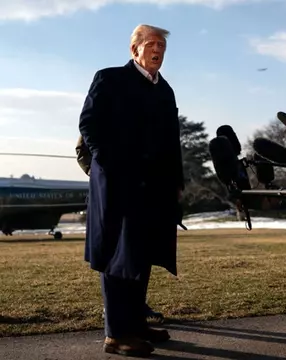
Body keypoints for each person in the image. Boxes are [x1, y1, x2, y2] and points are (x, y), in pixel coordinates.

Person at [78, 24, 184, 357]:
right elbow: (89, 125)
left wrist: (177, 182)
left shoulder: (164, 90)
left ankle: (136, 323)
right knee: (117, 255)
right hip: (118, 185)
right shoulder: (110, 79)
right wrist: (110, 165)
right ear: (134, 49)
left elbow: (171, 141)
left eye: (163, 47)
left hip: (154, 188)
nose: (158, 51)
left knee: (143, 253)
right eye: (152, 44)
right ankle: (116, 334)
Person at [75, 135, 167, 325]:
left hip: (138, 188)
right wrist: (97, 170)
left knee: (139, 254)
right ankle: (112, 310)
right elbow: (82, 148)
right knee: (113, 255)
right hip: (110, 190)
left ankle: (137, 306)